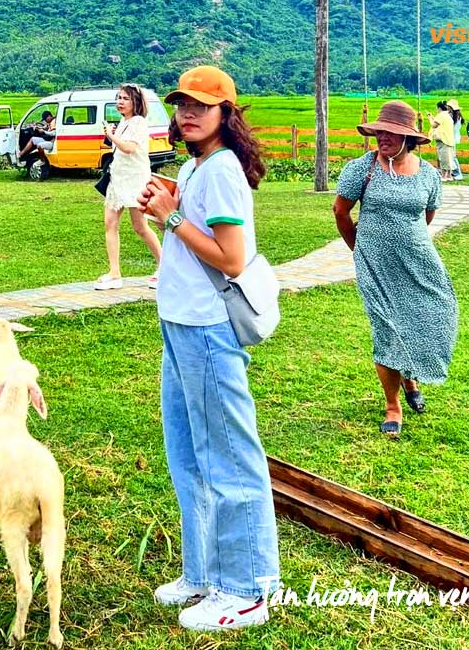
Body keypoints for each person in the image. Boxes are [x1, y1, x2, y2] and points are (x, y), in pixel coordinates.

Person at [139, 65, 278, 631]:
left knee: (227, 455)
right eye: (180, 104)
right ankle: (203, 572)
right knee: (190, 455)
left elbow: (231, 258)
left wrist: (168, 216)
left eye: (201, 105)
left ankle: (245, 589)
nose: (188, 113)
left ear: (226, 114)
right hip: (181, 322)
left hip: (207, 328)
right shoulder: (199, 167)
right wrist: (174, 200)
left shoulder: (221, 171)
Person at [333, 100, 458, 438]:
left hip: (419, 262)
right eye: (380, 132)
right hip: (375, 264)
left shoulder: (429, 175)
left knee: (428, 318)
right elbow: (341, 212)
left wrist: (406, 239)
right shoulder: (362, 169)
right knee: (387, 328)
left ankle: (411, 379)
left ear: (409, 138)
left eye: (392, 133)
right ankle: (393, 404)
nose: (383, 137)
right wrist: (360, 248)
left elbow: (426, 216)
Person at [93, 84, 162, 290]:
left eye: (125, 98)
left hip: (135, 181)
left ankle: (164, 265)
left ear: (136, 102)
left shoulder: (139, 122)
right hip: (118, 179)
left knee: (140, 226)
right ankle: (114, 273)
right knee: (109, 223)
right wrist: (113, 134)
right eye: (119, 98)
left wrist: (110, 135)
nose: (120, 102)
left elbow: (129, 148)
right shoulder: (123, 122)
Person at [427, 101, 457, 181]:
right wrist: (433, 118)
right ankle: (449, 175)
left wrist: (429, 118)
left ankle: (444, 176)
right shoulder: (447, 115)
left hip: (444, 140)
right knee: (449, 158)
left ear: (439, 108)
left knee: (444, 158)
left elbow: (434, 125)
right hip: (449, 139)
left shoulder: (441, 115)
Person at [447, 99, 465, 180]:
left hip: (452, 138)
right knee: (451, 156)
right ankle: (454, 172)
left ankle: (458, 173)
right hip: (454, 138)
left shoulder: (453, 117)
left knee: (453, 157)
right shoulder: (458, 116)